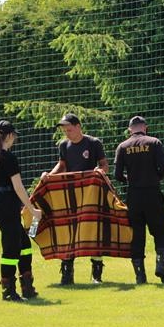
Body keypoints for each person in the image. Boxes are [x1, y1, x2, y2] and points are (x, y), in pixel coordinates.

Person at [48, 113, 109, 285]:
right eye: (64, 130)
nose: (66, 133)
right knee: (69, 233)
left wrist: (99, 172)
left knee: (93, 232)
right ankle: (67, 274)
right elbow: (62, 165)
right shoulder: (63, 145)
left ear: (78, 127)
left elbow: (104, 165)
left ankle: (96, 274)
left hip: (91, 196)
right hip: (70, 197)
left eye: (69, 129)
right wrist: (49, 176)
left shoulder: (94, 143)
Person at [0, 120, 42, 301]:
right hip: (9, 205)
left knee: (24, 245)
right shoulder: (9, 158)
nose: (15, 138)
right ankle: (8, 291)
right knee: (11, 249)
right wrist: (33, 210)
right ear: (9, 135)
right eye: (14, 135)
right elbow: (18, 188)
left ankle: (27, 287)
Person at [114, 115, 164, 284]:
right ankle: (161, 265)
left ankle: (140, 275)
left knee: (137, 234)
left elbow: (117, 175)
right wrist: (155, 178)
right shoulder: (154, 142)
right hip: (153, 192)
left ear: (130, 129)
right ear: (145, 127)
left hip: (134, 195)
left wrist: (130, 180)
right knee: (160, 230)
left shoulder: (122, 146)